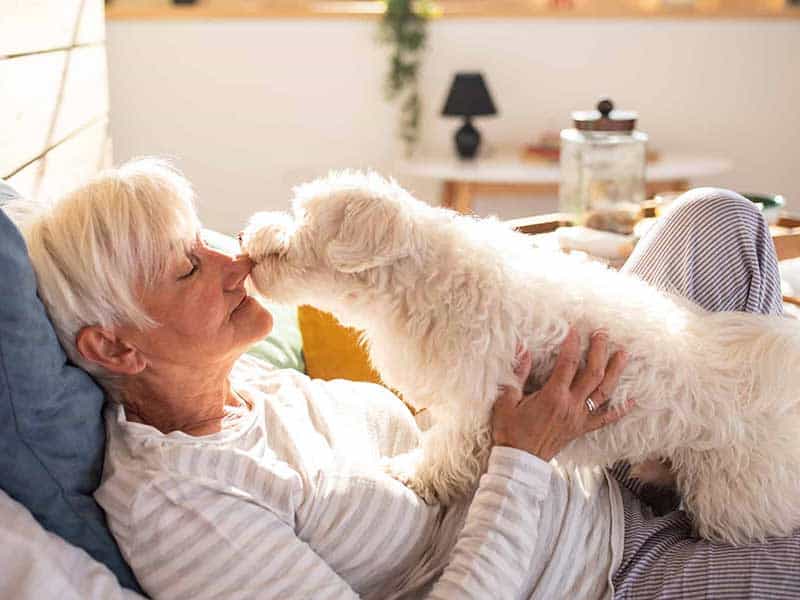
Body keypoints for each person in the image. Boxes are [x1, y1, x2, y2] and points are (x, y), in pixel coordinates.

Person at [21, 158, 799, 599]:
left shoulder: (255, 383)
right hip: (600, 571)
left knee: (718, 218)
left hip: (602, 454)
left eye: (205, 240)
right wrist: (525, 456)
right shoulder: (180, 501)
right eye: (190, 266)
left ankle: (736, 443)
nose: (235, 262)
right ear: (118, 349)